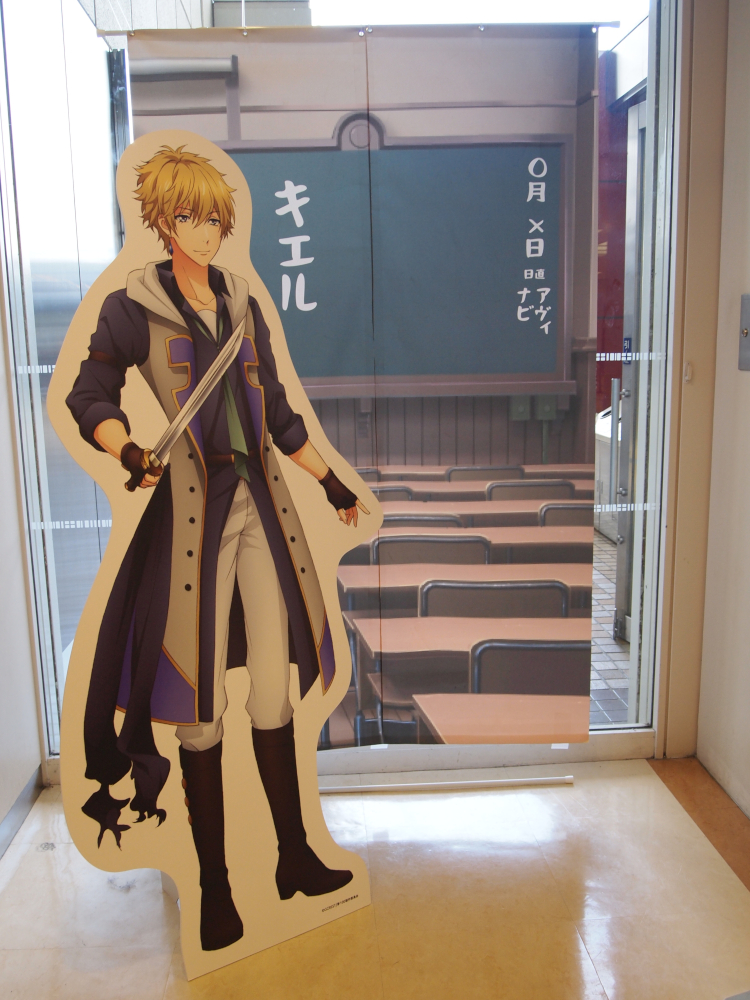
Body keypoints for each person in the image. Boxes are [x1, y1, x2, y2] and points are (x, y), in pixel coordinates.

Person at [66, 145, 367, 952]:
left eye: (214, 219)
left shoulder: (241, 302)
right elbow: (89, 392)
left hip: (262, 507)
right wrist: (128, 448)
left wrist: (332, 484)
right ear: (164, 222)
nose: (206, 232)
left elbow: (281, 418)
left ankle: (293, 858)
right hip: (192, 518)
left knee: (273, 687)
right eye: (190, 218)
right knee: (197, 705)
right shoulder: (134, 306)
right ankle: (215, 891)